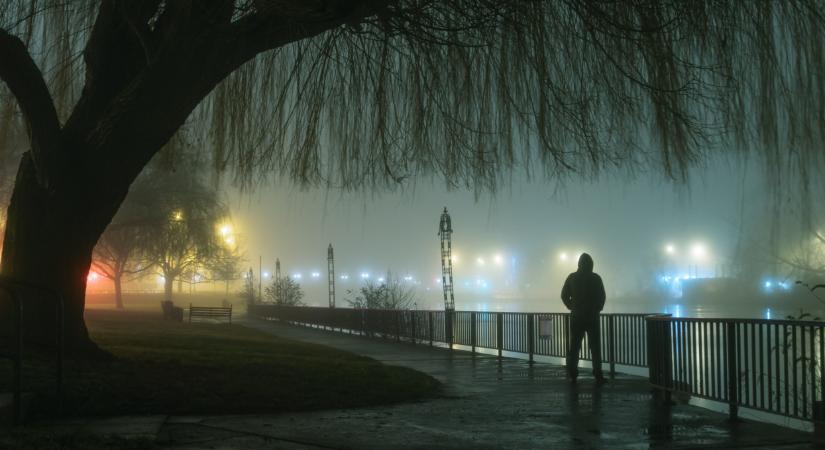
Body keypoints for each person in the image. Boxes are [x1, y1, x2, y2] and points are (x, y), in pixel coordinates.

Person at [561, 252, 607, 384]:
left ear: (579, 264)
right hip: (592, 318)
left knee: (575, 346)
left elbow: (564, 295)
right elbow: (602, 296)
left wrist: (571, 306)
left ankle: (573, 372)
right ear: (591, 264)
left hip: (576, 317)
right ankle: (598, 373)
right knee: (595, 347)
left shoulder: (572, 277)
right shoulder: (596, 278)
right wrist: (597, 308)